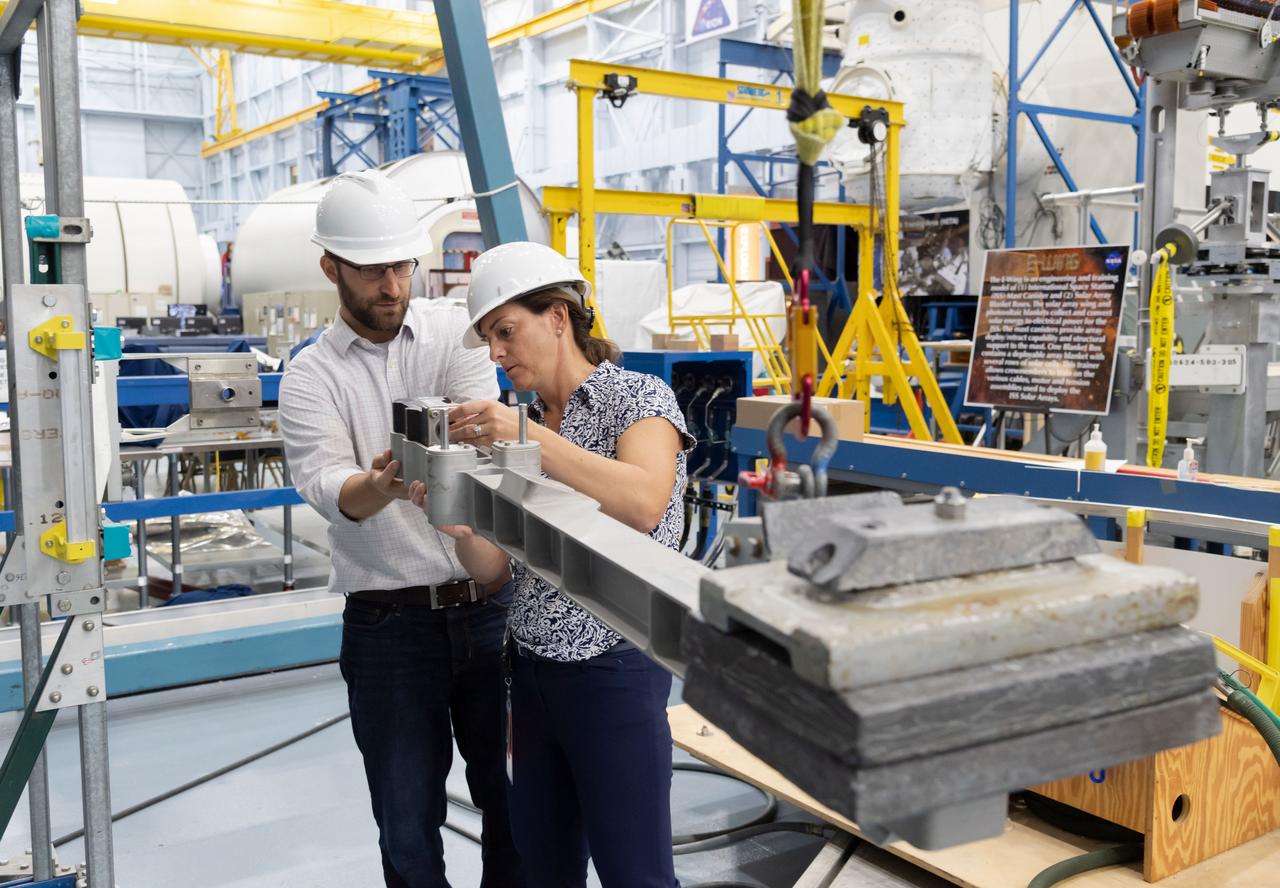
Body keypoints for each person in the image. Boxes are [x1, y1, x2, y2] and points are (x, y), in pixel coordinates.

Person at [410, 241, 692, 888]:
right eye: (490, 340)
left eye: (506, 333)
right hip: (531, 673)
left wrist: (528, 438)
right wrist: (460, 526)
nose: (497, 354)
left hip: (615, 669)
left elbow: (643, 502)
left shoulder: (638, 400)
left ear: (559, 317)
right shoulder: (529, 420)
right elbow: (494, 573)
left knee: (636, 875)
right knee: (545, 869)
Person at [277, 169, 523, 888]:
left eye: (400, 266)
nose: (391, 284)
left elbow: (479, 425)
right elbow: (329, 488)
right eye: (373, 270)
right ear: (331, 268)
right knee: (408, 825)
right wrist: (380, 486)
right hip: (390, 629)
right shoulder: (309, 376)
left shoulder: (454, 329)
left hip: (488, 614)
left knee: (514, 806)